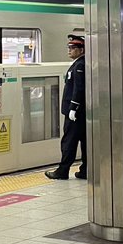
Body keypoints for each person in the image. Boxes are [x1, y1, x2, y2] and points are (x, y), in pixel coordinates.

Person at [46, 34, 87, 180]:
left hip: (75, 113)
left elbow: (79, 88)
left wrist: (73, 108)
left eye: (73, 47)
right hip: (81, 113)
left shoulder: (79, 65)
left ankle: (62, 171)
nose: (69, 50)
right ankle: (85, 170)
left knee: (69, 142)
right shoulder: (79, 64)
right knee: (85, 142)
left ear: (82, 50)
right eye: (69, 47)